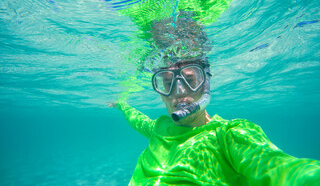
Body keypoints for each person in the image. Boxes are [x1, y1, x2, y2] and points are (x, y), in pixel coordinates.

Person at [111, 56, 320, 185]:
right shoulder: (161, 126)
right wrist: (121, 105)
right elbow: (137, 120)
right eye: (167, 83)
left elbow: (283, 169)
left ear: (206, 85)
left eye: (190, 80)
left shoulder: (229, 135)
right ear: (161, 93)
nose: (179, 92)